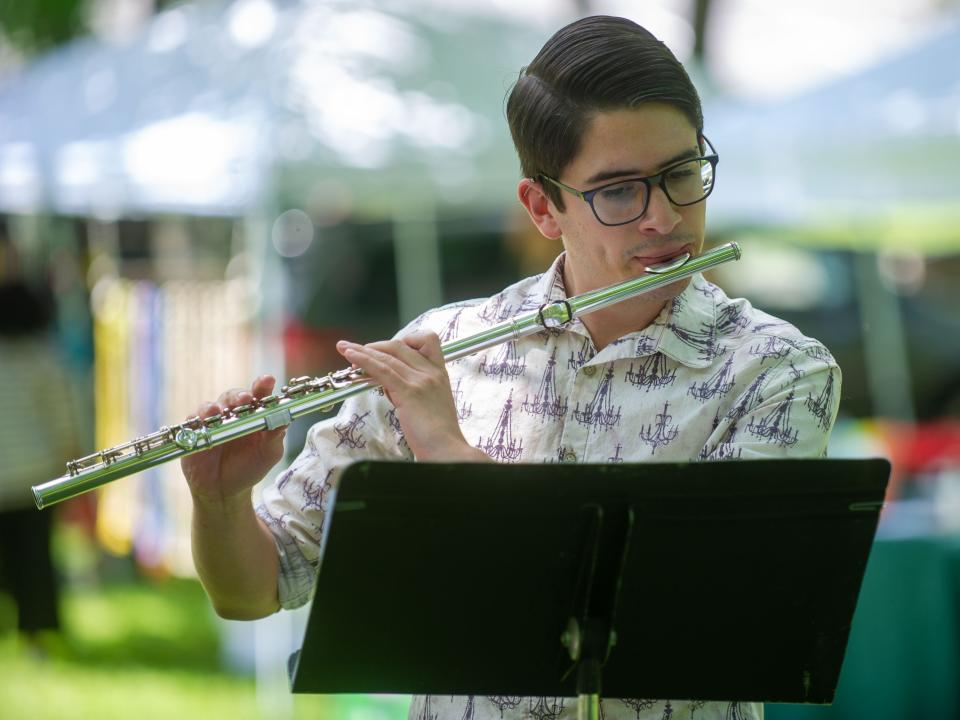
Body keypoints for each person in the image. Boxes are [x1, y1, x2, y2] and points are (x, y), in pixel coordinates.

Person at [182, 16, 840, 720]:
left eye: (681, 175)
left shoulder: (777, 371)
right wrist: (220, 503)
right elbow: (251, 590)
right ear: (542, 207)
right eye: (619, 191)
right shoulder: (442, 350)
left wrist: (450, 457)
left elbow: (709, 614)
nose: (664, 217)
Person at [0, 280, 80, 652]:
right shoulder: (45, 359)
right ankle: (34, 640)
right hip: (36, 479)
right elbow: (63, 421)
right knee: (35, 563)